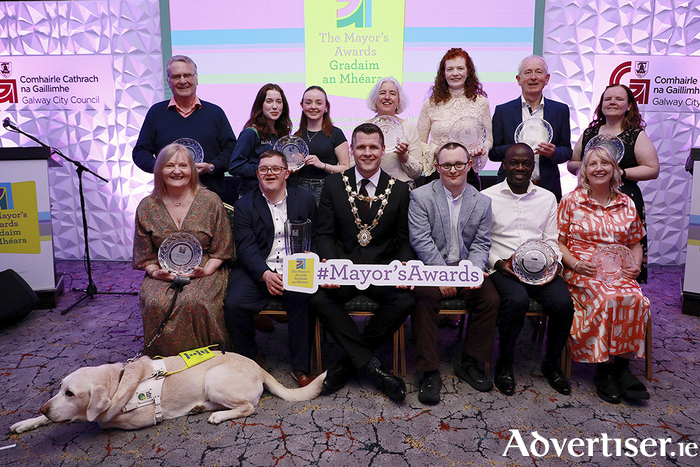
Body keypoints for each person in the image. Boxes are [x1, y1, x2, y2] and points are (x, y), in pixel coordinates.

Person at [310, 123, 415, 401]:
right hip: (343, 271)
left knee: (405, 300)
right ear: (352, 150)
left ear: (383, 150)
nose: (367, 152)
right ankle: (375, 368)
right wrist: (331, 266)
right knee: (318, 298)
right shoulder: (333, 185)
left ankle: (347, 365)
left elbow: (404, 240)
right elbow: (325, 234)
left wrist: (404, 266)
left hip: (382, 271)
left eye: (373, 147)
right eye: (361, 147)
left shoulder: (400, 190)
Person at [408, 142, 500, 404]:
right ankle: (429, 371)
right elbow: (421, 241)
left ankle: (469, 361)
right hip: (431, 269)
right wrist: (443, 276)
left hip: (466, 268)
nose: (453, 170)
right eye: (446, 165)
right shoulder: (421, 196)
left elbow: (482, 244)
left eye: (459, 164)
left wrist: (469, 272)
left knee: (490, 299)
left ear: (469, 165)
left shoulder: (482, 201)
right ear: (437, 168)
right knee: (424, 297)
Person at [558, 146, 650, 404]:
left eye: (604, 163)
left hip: (619, 271)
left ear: (614, 169)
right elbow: (559, 242)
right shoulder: (571, 201)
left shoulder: (627, 203)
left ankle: (622, 367)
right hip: (582, 271)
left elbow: (635, 243)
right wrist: (575, 264)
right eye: (592, 164)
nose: (598, 168)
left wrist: (635, 265)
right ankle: (604, 369)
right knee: (607, 297)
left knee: (636, 298)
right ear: (584, 171)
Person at [482, 143, 574, 396]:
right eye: (514, 162)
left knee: (563, 304)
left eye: (526, 163)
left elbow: (551, 239)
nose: (520, 168)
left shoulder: (547, 197)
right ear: (504, 165)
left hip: (542, 268)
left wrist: (553, 264)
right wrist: (499, 263)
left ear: (533, 167)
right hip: (504, 267)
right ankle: (504, 364)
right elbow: (481, 240)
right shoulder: (487, 197)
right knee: (516, 300)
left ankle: (552, 364)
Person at [223, 150, 317, 387]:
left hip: (295, 268)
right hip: (258, 269)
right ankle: (250, 359)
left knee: (305, 300)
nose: (270, 173)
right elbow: (246, 248)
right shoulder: (245, 205)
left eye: (276, 168)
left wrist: (312, 257)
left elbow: (316, 237)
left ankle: (301, 366)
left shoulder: (304, 199)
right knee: (233, 304)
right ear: (257, 174)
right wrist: (266, 274)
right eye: (264, 169)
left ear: (286, 173)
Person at [133, 143, 233, 357]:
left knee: (195, 301)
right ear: (160, 170)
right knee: (155, 302)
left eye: (183, 165)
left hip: (205, 267)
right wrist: (154, 272)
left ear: (193, 170)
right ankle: (163, 361)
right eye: (169, 165)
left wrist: (206, 271)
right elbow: (144, 253)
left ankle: (209, 360)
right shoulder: (147, 206)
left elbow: (223, 247)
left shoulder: (211, 201)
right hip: (163, 270)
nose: (177, 171)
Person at [567, 84, 659, 283]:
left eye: (618, 99)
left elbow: (653, 169)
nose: (612, 103)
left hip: (623, 200)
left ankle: (625, 287)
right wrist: (590, 169)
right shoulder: (590, 133)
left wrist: (618, 173)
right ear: (601, 105)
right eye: (608, 99)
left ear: (629, 106)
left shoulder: (636, 135)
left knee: (626, 255)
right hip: (589, 199)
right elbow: (572, 163)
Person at [132, 55, 237, 201]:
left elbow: (232, 150)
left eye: (187, 75)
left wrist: (211, 166)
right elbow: (140, 152)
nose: (182, 81)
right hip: (167, 198)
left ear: (196, 79)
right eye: (176, 76)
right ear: (168, 81)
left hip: (209, 198)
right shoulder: (156, 113)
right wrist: (162, 168)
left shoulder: (215, 113)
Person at [489, 55, 572, 201]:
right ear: (518, 80)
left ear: (546, 79)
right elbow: (494, 152)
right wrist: (516, 149)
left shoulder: (560, 110)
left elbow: (566, 152)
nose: (533, 77)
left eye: (539, 72)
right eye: (528, 73)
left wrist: (553, 152)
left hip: (546, 187)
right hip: (508, 188)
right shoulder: (503, 111)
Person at [417, 47, 491, 189]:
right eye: (450, 69)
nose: (455, 73)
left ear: (468, 71)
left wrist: (480, 149)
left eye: (460, 68)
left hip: (468, 177)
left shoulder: (481, 103)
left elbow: (489, 140)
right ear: (443, 73)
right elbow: (419, 142)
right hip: (436, 177)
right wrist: (438, 150)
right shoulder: (430, 104)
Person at [229, 84, 293, 197]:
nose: (275, 106)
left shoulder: (282, 133)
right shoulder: (251, 133)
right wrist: (265, 169)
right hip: (252, 196)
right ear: (261, 105)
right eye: (269, 101)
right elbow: (235, 166)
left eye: (279, 101)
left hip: (276, 196)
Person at [291, 86, 350, 204]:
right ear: (302, 106)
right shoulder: (296, 135)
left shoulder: (336, 133)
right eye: (308, 102)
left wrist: (322, 165)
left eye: (318, 103)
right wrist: (293, 164)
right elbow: (289, 168)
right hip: (300, 188)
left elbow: (346, 168)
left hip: (327, 187)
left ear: (326, 107)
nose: (313, 107)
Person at [366, 76, 423, 188]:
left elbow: (417, 173)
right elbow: (352, 166)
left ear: (398, 101)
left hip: (402, 191)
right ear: (375, 99)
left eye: (392, 93)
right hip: (369, 190)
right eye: (382, 93)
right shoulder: (363, 128)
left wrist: (404, 157)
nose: (387, 97)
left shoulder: (409, 128)